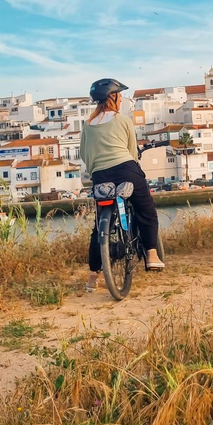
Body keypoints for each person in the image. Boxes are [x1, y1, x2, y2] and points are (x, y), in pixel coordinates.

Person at [81, 78, 164, 292]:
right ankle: (152, 254)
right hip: (126, 169)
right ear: (114, 97)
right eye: (119, 95)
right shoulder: (123, 120)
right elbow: (132, 151)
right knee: (146, 211)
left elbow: (83, 153)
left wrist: (95, 170)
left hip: (100, 175)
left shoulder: (88, 125)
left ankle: (93, 276)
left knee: (99, 224)